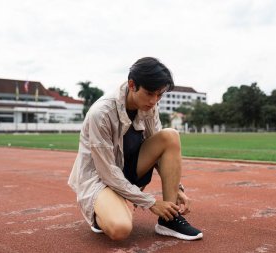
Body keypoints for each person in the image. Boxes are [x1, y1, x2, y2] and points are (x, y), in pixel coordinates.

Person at [68, 57, 203, 241]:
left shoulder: (150, 106)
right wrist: (151, 202)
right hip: (100, 179)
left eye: (159, 95)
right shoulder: (101, 113)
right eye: (149, 93)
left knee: (170, 136)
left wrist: (177, 189)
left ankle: (168, 220)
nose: (154, 101)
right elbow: (106, 172)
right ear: (132, 85)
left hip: (127, 170)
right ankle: (104, 211)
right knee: (120, 229)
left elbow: (158, 148)